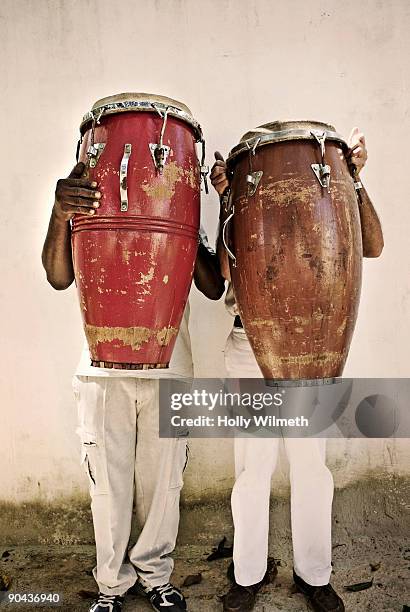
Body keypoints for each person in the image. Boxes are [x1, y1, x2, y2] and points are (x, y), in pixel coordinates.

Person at [210, 127, 384, 612]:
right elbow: (225, 272)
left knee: (311, 468)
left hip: (313, 342)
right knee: (252, 469)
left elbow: (372, 245)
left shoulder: (334, 187)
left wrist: (355, 180)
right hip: (251, 343)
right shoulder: (244, 198)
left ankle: (314, 574)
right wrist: (228, 200)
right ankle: (247, 575)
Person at [42, 161, 224, 612]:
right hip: (102, 367)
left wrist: (183, 223)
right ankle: (111, 585)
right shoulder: (86, 208)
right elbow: (57, 276)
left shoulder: (180, 215)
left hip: (169, 366)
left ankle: (156, 576)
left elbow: (214, 286)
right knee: (108, 486)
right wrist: (59, 210)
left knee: (165, 485)